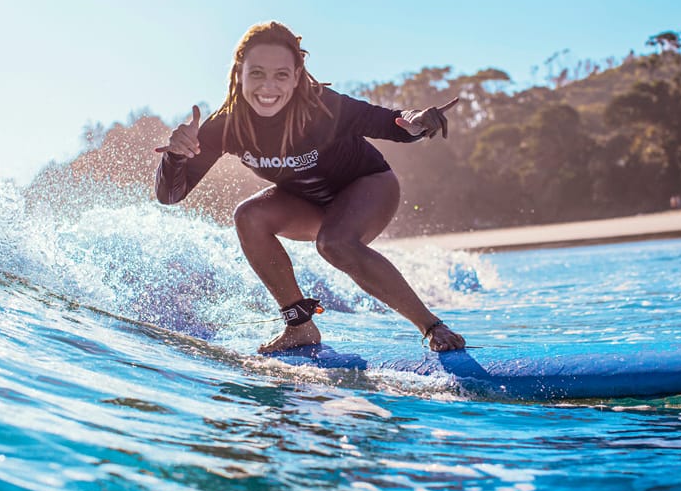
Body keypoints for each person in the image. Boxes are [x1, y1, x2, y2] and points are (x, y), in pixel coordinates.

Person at [154, 21, 466, 354]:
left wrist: (416, 119)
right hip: (308, 205)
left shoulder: (323, 107)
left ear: (298, 75)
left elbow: (391, 122)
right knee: (248, 216)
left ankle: (431, 326)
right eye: (257, 73)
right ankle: (300, 326)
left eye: (281, 75)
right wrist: (175, 158)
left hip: (369, 186)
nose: (268, 87)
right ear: (239, 74)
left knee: (335, 243)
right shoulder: (227, 126)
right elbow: (171, 196)